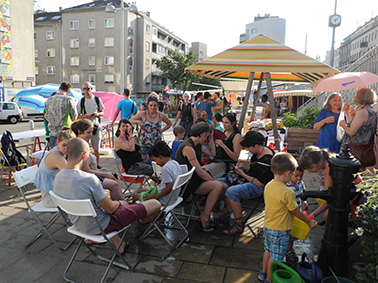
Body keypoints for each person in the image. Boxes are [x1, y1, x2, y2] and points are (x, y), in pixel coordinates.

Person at [53, 138, 161, 253]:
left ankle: (119, 243)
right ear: (84, 154)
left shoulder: (58, 178)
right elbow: (110, 209)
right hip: (102, 226)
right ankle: (140, 224)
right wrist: (120, 203)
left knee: (106, 203)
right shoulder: (89, 179)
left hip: (79, 225)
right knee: (155, 204)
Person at [259, 152, 317, 283]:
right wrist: (309, 222)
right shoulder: (287, 192)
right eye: (292, 174)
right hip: (280, 230)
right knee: (276, 257)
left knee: (268, 251)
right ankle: (269, 280)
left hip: (268, 226)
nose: (293, 177)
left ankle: (263, 273)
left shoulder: (269, 185)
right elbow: (296, 212)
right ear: (287, 173)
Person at [217, 131, 274, 235]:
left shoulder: (266, 161)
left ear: (256, 146)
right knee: (218, 183)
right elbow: (254, 169)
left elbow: (260, 183)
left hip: (260, 187)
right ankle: (230, 213)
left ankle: (239, 224)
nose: (247, 150)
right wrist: (245, 168)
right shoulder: (259, 152)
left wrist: (242, 174)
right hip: (250, 178)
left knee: (231, 191)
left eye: (248, 147)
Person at [175, 123, 224, 233]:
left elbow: (212, 153)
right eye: (207, 135)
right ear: (202, 134)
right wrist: (212, 181)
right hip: (185, 183)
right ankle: (205, 217)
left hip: (193, 179)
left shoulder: (196, 144)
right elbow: (200, 172)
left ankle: (222, 213)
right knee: (217, 186)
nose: (207, 137)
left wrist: (211, 137)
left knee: (224, 186)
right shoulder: (188, 147)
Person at [71, 119, 125, 201]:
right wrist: (104, 174)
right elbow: (85, 171)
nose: (91, 135)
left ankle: (121, 205)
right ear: (79, 131)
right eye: (88, 132)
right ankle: (121, 206)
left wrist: (100, 171)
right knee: (114, 183)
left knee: (113, 179)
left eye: (92, 132)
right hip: (84, 178)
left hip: (85, 176)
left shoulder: (79, 142)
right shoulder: (80, 145)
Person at [34, 130, 76, 207]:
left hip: (56, 192)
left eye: (70, 146)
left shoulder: (60, 151)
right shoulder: (56, 156)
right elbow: (71, 175)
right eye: (64, 145)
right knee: (84, 199)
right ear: (57, 142)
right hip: (50, 199)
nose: (67, 148)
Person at [133, 141, 182, 206]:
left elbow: (169, 187)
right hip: (173, 197)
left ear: (160, 157)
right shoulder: (175, 163)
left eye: (155, 160)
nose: (156, 163)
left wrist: (155, 197)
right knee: (140, 190)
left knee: (135, 197)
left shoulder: (165, 168)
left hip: (163, 199)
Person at [339, 88, 377, 168]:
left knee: (353, 174)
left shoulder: (362, 112)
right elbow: (353, 126)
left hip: (356, 149)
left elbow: (352, 131)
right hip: (364, 148)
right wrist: (347, 113)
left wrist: (343, 125)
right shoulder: (370, 110)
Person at [299, 145, 333, 225]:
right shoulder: (320, 167)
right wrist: (322, 189)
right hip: (337, 191)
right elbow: (322, 180)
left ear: (320, 162)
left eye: (310, 168)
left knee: (326, 218)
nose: (308, 171)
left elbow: (329, 197)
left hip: (350, 194)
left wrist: (314, 214)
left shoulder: (329, 171)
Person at [202, 113, 242, 180]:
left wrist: (223, 146)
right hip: (218, 160)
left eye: (226, 122)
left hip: (226, 163)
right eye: (223, 122)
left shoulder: (237, 137)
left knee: (205, 172)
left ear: (233, 123)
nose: (224, 124)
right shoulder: (224, 132)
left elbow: (235, 158)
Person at [76, 81, 105, 169]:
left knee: (96, 148)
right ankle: (86, 165)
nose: (86, 90)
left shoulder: (96, 99)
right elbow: (77, 116)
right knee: (84, 148)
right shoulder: (81, 101)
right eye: (84, 89)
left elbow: (102, 112)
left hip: (95, 126)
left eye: (88, 88)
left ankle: (97, 165)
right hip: (85, 127)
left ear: (91, 89)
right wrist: (85, 116)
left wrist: (97, 114)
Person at [284, 166, 308, 267]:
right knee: (288, 233)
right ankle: (288, 250)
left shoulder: (300, 183)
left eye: (301, 176)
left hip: (298, 213)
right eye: (296, 175)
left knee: (293, 234)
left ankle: (290, 248)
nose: (298, 178)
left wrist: (304, 201)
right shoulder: (287, 187)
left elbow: (303, 194)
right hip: (289, 214)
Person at [45, 82, 77, 148]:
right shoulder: (69, 100)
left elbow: (46, 116)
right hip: (66, 134)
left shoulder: (48, 100)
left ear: (59, 88)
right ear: (69, 92)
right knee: (66, 156)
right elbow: (74, 117)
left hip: (53, 133)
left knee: (55, 155)